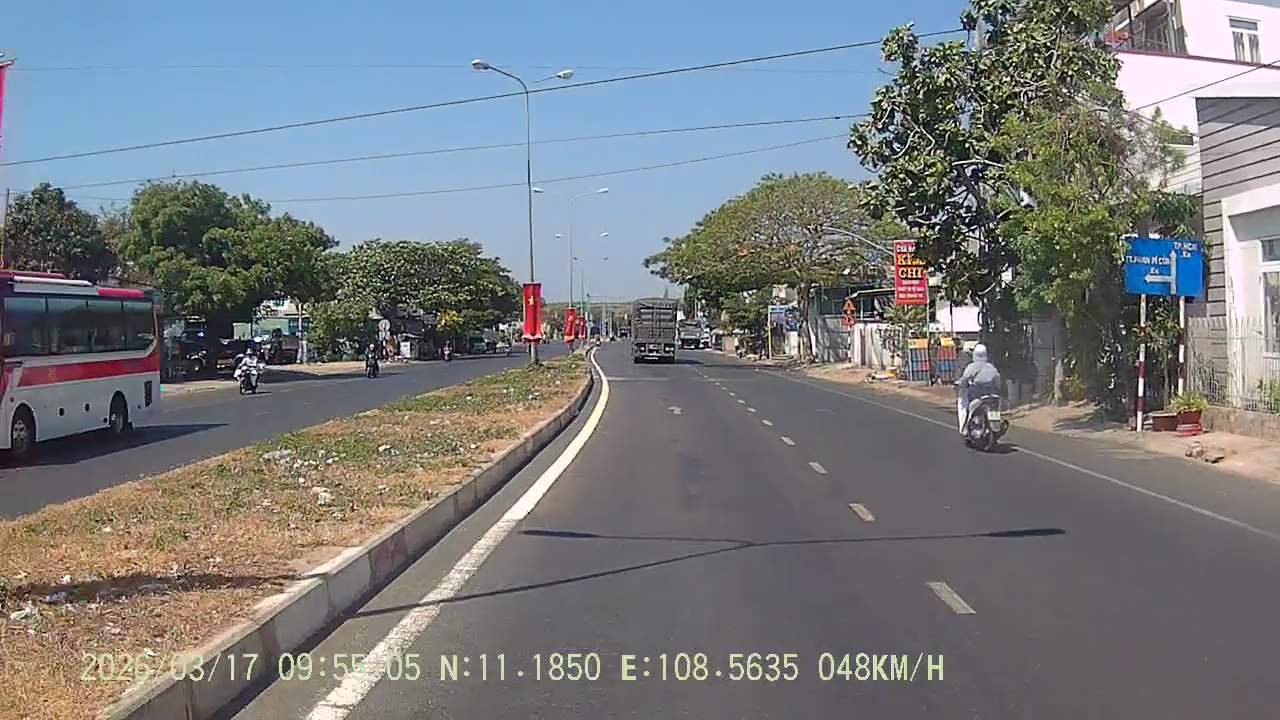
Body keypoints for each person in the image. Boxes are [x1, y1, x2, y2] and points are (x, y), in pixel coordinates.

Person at [955, 343, 1002, 434]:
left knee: (964, 405)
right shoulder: (991, 367)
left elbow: (964, 378)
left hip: (977, 396)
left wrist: (959, 383)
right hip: (992, 395)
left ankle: (964, 428)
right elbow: (998, 381)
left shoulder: (972, 367)